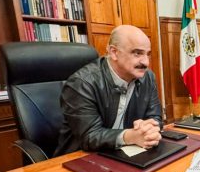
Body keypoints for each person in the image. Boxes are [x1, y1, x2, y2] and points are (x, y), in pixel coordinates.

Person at [55, 25, 162, 156]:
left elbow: (155, 118)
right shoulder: (82, 83)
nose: (146, 62)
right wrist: (129, 136)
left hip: (126, 152)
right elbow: (89, 136)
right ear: (114, 52)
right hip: (81, 157)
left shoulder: (147, 77)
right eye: (137, 53)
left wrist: (148, 128)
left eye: (148, 54)